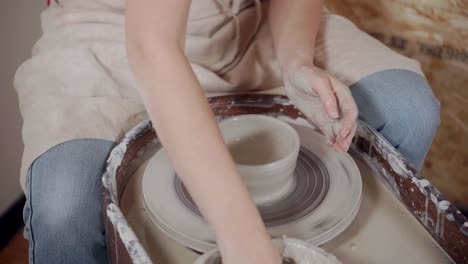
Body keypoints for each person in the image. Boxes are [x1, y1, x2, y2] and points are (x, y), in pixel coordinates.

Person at [15, 0, 440, 263]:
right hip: (111, 32)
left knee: (407, 110)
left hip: (245, 20)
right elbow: (153, 47)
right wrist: (244, 240)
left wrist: (296, 64)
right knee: (64, 208)